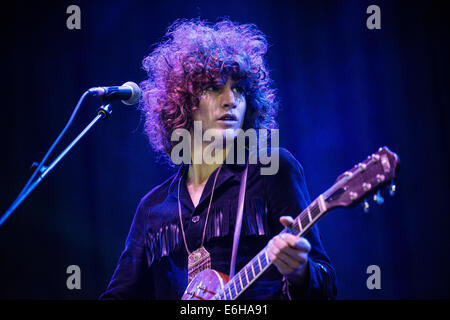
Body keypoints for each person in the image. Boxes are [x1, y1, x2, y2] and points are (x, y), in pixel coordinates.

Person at [100, 18, 337, 300]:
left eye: (239, 89)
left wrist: (300, 271)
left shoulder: (272, 171)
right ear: (184, 102)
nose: (230, 100)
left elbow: (327, 285)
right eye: (214, 88)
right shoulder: (152, 209)